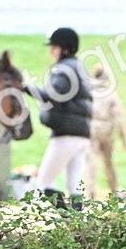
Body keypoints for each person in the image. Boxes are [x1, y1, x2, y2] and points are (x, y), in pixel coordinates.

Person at [27, 27, 93, 210]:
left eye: (54, 47)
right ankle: (79, 229)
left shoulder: (64, 69)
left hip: (66, 134)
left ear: (65, 48)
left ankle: (68, 223)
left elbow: (51, 95)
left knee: (44, 184)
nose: (51, 51)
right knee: (75, 187)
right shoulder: (79, 68)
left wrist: (26, 87)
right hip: (83, 135)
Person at [85, 65, 126, 200]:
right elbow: (119, 117)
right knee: (109, 162)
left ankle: (91, 192)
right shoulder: (111, 94)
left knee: (91, 162)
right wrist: (125, 139)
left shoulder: (89, 92)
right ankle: (114, 190)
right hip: (106, 130)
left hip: (91, 130)